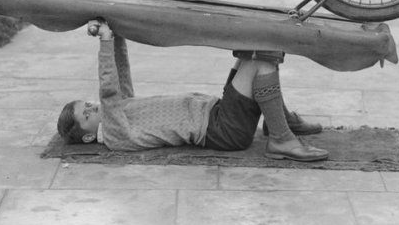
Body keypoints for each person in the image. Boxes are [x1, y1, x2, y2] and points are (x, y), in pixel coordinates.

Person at [58, 20, 328, 162]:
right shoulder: (115, 135)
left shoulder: (120, 113)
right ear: (87, 137)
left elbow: (120, 75)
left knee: (255, 49)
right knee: (261, 63)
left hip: (218, 115)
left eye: (87, 104)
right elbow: (108, 92)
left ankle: (278, 121)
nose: (94, 107)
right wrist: (104, 42)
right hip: (223, 131)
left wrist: (115, 32)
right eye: (87, 114)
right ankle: (281, 138)